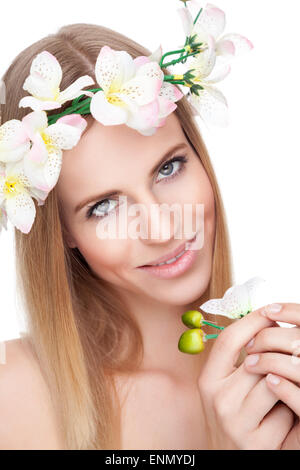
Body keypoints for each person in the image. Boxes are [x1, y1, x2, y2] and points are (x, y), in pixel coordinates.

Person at [0, 19, 300, 451]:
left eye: (168, 168)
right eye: (104, 205)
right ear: (62, 232)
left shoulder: (281, 376)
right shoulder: (13, 397)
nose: (162, 229)